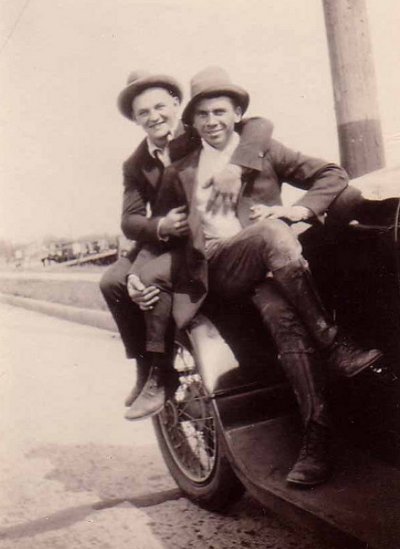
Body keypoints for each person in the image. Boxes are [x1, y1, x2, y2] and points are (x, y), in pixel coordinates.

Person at [134, 66, 383, 487]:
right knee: (270, 232)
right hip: (217, 268)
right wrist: (140, 274)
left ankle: (316, 438)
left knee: (284, 319)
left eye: (220, 112)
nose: (212, 122)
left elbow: (332, 175)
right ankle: (333, 341)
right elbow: (161, 230)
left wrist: (297, 209)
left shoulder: (261, 151)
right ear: (192, 122)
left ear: (236, 114)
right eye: (203, 115)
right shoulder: (182, 170)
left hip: (269, 272)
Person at [99, 70, 274, 420]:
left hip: (202, 234)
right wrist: (159, 225)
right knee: (112, 283)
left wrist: (236, 167)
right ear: (135, 119)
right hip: (166, 235)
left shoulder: (199, 130)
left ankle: (161, 374)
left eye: (160, 106)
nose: (154, 117)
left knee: (146, 280)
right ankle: (147, 367)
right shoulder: (135, 162)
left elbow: (258, 124)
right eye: (143, 113)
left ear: (177, 105)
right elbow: (130, 220)